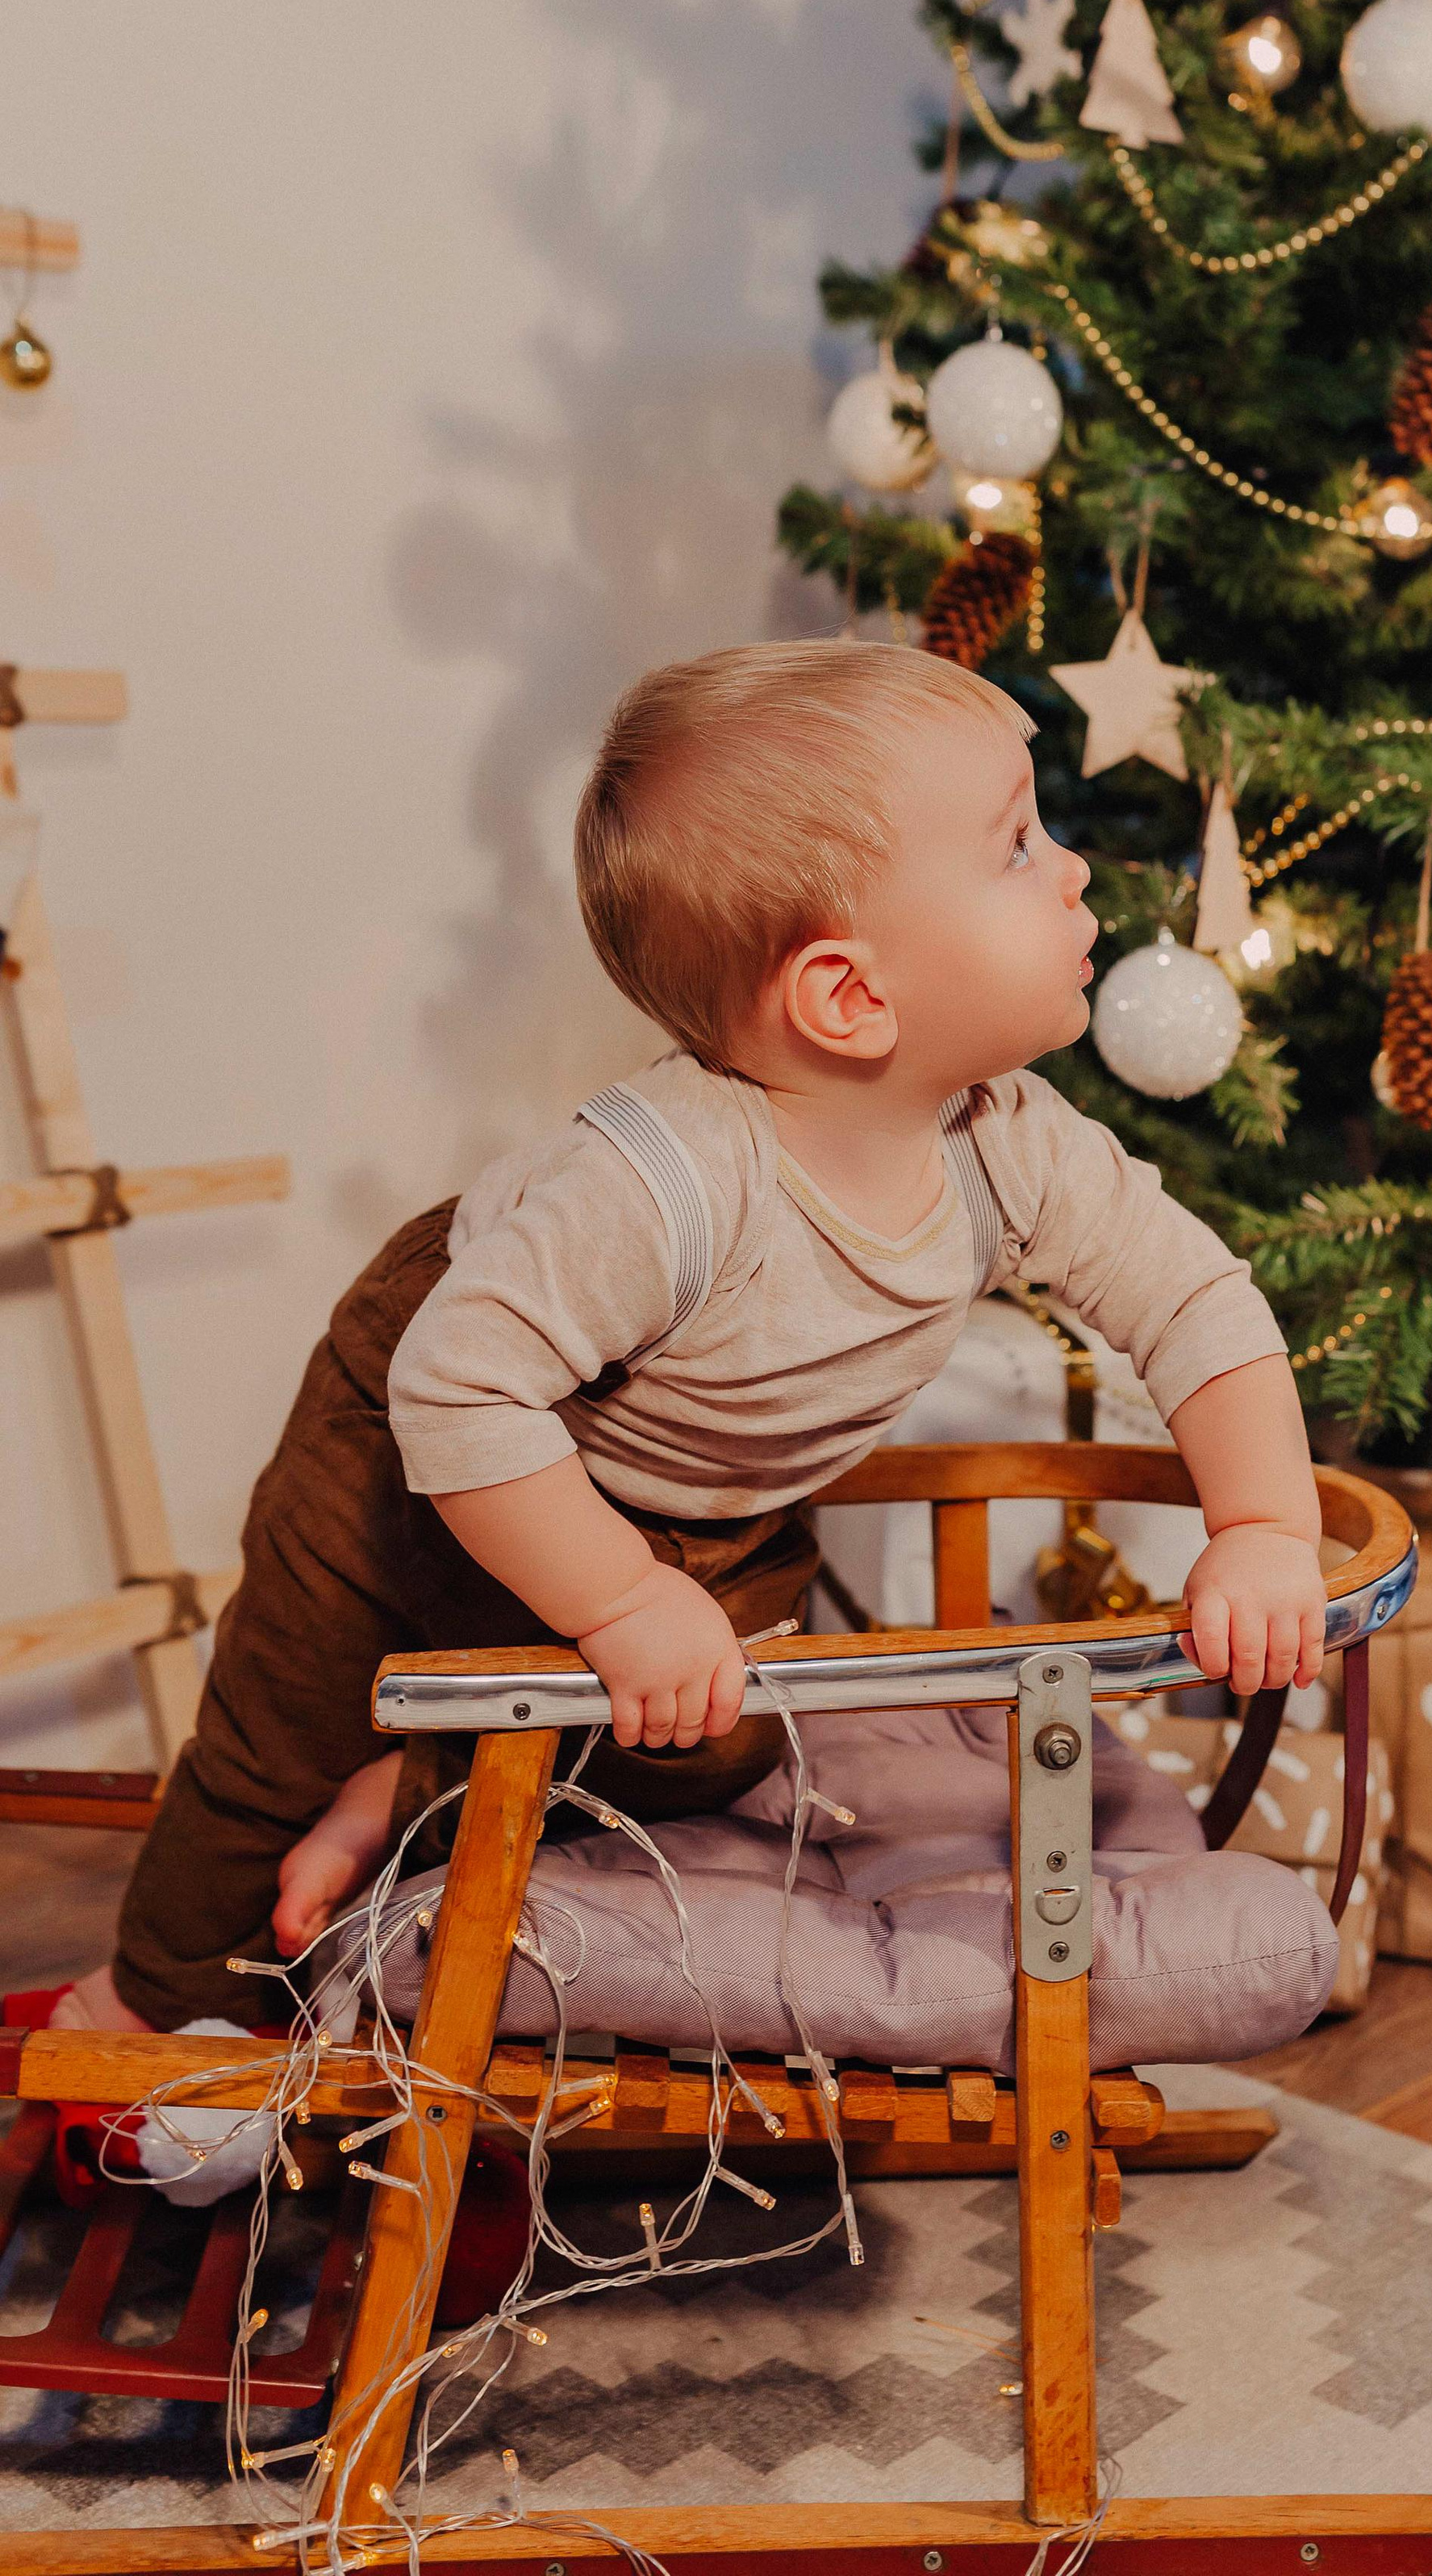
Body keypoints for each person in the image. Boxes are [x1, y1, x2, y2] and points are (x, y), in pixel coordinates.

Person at [61, 641, 1328, 2036]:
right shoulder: (662, 1183)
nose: (1078, 868)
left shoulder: (1014, 1146)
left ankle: (407, 1794)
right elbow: (458, 1389)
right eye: (1020, 845)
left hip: (690, 1496)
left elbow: (1197, 1303)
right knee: (280, 1723)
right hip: (433, 1413)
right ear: (852, 998)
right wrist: (617, 1601)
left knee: (699, 1742)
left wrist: (1263, 1522)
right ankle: (145, 2012)